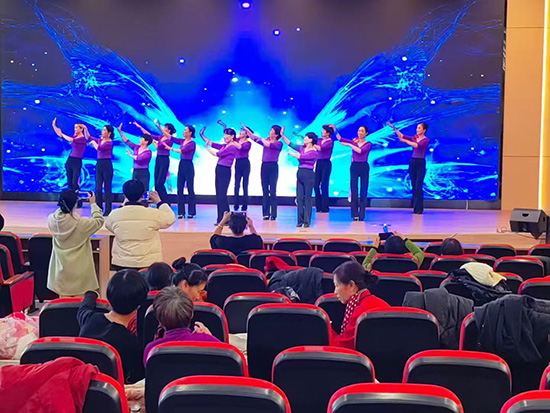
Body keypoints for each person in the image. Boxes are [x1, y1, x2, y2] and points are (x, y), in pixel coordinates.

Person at [77, 270, 148, 384]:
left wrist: (91, 295)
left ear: (109, 295)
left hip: (83, 384)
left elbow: (83, 308)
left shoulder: (89, 319)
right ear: (140, 304)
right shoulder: (133, 345)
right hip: (113, 391)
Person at [105, 180, 176, 270]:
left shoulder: (115, 214)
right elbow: (170, 218)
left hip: (122, 263)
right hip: (147, 264)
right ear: (142, 195)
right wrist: (159, 202)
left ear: (125, 195)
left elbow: (109, 225)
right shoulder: (153, 214)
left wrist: (123, 205)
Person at [47, 190, 103, 297]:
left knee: (64, 304)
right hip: (81, 277)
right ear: (75, 204)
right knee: (80, 305)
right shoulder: (82, 224)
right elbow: (99, 220)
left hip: (61, 275)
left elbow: (61, 212)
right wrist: (93, 204)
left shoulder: (51, 220)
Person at [143, 286, 219, 363]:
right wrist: (210, 337)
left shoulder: (151, 350)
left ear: (160, 321)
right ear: (191, 314)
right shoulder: (207, 341)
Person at [330, 261, 389, 349]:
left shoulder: (361, 310)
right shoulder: (375, 302)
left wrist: (326, 328)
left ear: (351, 285)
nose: (335, 292)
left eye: (337, 286)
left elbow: (342, 346)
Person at [387, 122, 430, 214]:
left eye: (419, 128)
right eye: (417, 128)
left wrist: (405, 141)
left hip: (420, 163)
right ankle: (415, 208)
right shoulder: (415, 138)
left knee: (418, 186)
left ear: (424, 130)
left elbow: (417, 146)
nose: (417, 130)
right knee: (414, 185)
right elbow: (402, 136)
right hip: (413, 162)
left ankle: (420, 208)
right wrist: (394, 128)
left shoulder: (425, 140)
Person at [242, 124, 283, 220]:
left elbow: (268, 144)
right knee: (265, 190)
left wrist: (262, 139)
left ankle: (273, 214)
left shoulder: (279, 144)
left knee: (272, 191)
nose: (270, 131)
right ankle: (265, 213)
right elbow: (253, 138)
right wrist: (247, 130)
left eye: (272, 130)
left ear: (276, 134)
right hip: (264, 166)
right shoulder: (266, 141)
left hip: (273, 167)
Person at [201, 127, 239, 225]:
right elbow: (213, 144)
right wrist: (202, 136)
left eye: (227, 134)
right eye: (224, 134)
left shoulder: (232, 147)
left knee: (222, 195)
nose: (225, 136)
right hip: (219, 169)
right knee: (219, 195)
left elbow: (218, 154)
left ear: (232, 136)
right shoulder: (225, 145)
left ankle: (225, 218)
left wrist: (207, 149)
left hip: (225, 171)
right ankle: (221, 218)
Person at [334, 125, 372, 221]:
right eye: (359, 130)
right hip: (354, 166)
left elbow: (360, 151)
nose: (360, 132)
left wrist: (351, 145)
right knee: (354, 190)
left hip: (363, 166)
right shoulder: (354, 142)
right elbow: (340, 139)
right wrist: (335, 129)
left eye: (362, 131)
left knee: (363, 190)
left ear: (366, 133)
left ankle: (362, 214)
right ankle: (354, 214)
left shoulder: (368, 144)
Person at [282, 129, 319, 228]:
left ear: (311, 140)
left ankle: (306, 221)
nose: (304, 138)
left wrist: (292, 154)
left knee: (307, 198)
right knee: (299, 198)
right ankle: (300, 221)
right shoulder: (302, 148)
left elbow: (302, 157)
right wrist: (282, 135)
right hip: (300, 173)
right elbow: (290, 144)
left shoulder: (314, 152)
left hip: (308, 174)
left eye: (306, 137)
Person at [134, 121, 175, 204]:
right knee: (156, 183)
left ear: (169, 130)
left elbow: (160, 146)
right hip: (158, 159)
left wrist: (155, 141)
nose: (163, 129)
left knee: (160, 183)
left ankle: (166, 202)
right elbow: (149, 135)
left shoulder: (169, 140)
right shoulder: (161, 137)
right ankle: (160, 202)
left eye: (165, 128)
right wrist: (140, 127)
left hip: (164, 160)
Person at [219, 121, 252, 212]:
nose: (241, 132)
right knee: (236, 184)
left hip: (245, 163)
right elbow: (228, 137)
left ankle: (244, 205)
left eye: (243, 131)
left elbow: (240, 147)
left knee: (245, 185)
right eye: (241, 130)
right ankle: (236, 204)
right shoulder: (236, 140)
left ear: (246, 134)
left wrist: (233, 141)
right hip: (237, 163)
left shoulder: (248, 143)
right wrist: (224, 126)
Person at [167, 125, 196, 219]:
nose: (184, 132)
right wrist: (160, 128)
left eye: (186, 130)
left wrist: (170, 149)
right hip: (182, 164)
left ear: (190, 133)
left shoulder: (192, 143)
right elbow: (171, 138)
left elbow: (182, 150)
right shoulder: (182, 141)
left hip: (188, 165)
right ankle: (181, 212)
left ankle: (191, 212)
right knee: (180, 188)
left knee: (190, 188)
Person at [52, 118, 88, 191]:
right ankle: (70, 196)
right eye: (74, 127)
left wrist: (61, 133)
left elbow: (70, 139)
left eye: (76, 127)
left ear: (81, 129)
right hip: (70, 160)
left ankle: (76, 195)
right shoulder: (75, 136)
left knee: (75, 181)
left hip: (77, 161)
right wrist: (54, 126)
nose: (75, 129)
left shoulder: (82, 139)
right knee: (70, 181)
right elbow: (61, 135)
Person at [88, 125, 114, 215]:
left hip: (107, 164)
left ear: (109, 133)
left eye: (104, 130)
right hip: (99, 164)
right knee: (98, 187)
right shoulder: (100, 140)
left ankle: (108, 209)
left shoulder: (109, 143)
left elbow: (99, 148)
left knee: (107, 187)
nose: (102, 131)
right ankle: (99, 208)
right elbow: (89, 137)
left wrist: (93, 142)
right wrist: (85, 129)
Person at [118, 123, 153, 191]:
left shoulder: (148, 152)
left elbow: (139, 158)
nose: (140, 140)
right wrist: (120, 132)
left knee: (144, 189)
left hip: (143, 172)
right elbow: (127, 142)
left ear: (146, 142)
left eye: (142, 139)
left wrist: (131, 155)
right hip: (136, 171)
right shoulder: (136, 148)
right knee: (134, 188)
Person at [314, 125, 334, 213]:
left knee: (324, 185)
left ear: (328, 133)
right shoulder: (319, 140)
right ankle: (318, 206)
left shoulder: (330, 142)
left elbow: (321, 148)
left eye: (323, 130)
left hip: (326, 163)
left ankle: (325, 207)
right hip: (318, 163)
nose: (322, 132)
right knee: (315, 185)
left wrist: (312, 144)